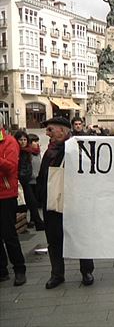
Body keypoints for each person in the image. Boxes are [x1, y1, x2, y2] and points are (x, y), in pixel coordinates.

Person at [38, 117, 94, 289]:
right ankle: (57, 274)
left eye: (50, 130)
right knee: (54, 240)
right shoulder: (49, 151)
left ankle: (86, 271)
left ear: (62, 131)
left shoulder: (76, 149)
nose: (47, 134)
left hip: (74, 203)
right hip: (52, 203)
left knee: (79, 236)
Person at [0, 115, 27, 286]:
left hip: (5, 194)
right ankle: (2, 270)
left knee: (8, 234)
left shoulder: (9, 142)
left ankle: (19, 268)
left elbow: (10, 167)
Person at [13, 131, 43, 231]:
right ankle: (32, 223)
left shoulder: (27, 151)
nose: (23, 142)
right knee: (26, 203)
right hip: (20, 181)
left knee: (31, 202)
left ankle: (36, 222)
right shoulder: (15, 151)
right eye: (20, 140)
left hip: (26, 181)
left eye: (25, 140)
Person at [28, 133, 43, 229]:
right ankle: (33, 220)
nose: (37, 143)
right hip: (30, 180)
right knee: (32, 202)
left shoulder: (38, 152)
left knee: (35, 201)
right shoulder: (28, 153)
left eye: (37, 141)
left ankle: (33, 219)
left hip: (38, 179)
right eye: (34, 141)